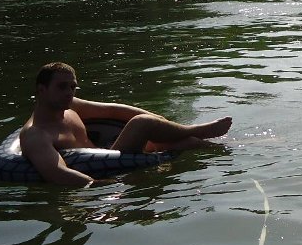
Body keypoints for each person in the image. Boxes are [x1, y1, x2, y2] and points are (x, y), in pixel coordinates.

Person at [20, 61, 232, 187]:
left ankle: (237, 150)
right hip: (106, 168)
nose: (69, 92)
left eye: (73, 87)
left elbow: (113, 110)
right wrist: (106, 188)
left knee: (190, 142)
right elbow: (57, 173)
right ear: (41, 90)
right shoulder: (36, 135)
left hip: (109, 151)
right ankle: (203, 129)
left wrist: (162, 121)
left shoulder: (71, 106)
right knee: (141, 124)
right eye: (62, 87)